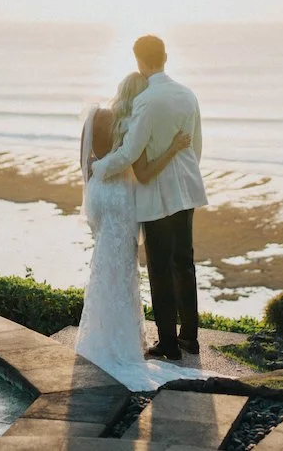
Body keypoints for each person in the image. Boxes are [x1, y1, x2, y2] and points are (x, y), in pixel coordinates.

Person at [75, 71, 207, 389]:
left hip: (99, 193)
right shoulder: (129, 122)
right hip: (122, 196)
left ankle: (101, 334)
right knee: (130, 265)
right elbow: (139, 167)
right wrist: (175, 148)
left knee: (104, 259)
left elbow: (85, 160)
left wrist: (94, 177)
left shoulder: (96, 115)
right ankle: (155, 338)